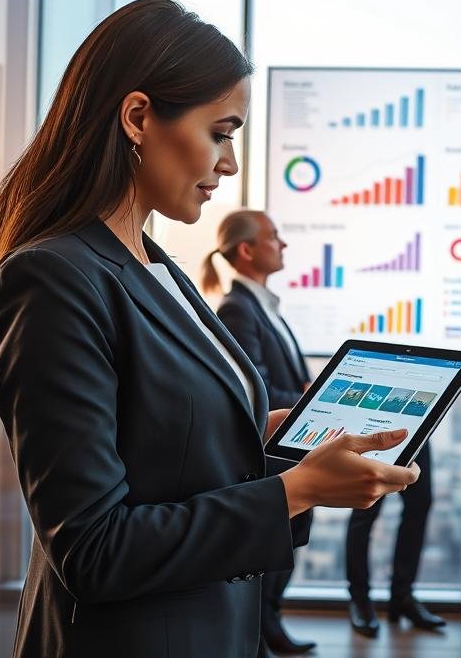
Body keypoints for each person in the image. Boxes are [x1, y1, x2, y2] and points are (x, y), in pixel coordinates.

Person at [0, 0, 420, 657]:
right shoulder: (52, 279)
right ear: (139, 117)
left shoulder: (155, 265)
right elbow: (93, 550)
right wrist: (297, 489)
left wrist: (272, 431)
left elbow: (160, 434)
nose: (228, 164)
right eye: (221, 132)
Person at [204, 210, 316, 656]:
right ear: (247, 250)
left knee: (286, 548)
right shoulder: (237, 308)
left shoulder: (262, 306)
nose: (283, 244)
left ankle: (268, 629)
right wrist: (310, 398)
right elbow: (255, 389)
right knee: (272, 554)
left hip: (285, 453)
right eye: (274, 237)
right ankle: (261, 635)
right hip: (268, 457)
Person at [345, 447, 441, 637]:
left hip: (416, 425)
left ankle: (402, 596)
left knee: (421, 501)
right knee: (365, 508)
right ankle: (359, 599)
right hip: (378, 426)